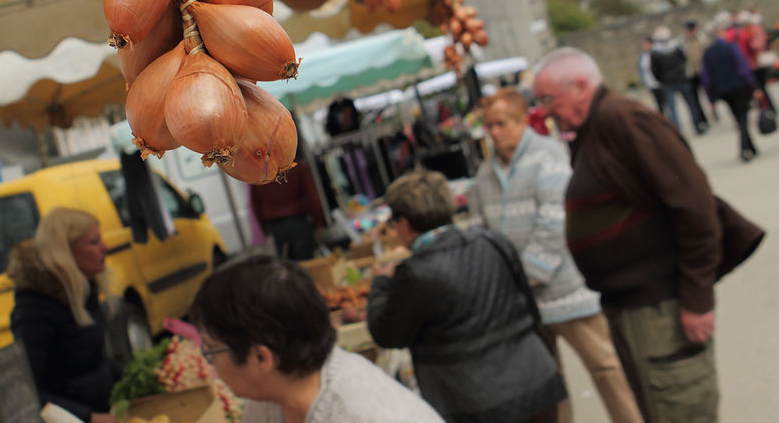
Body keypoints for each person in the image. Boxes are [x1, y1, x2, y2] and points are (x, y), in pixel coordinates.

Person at [531, 47, 765, 422]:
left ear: (579, 86)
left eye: (547, 99)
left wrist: (696, 297)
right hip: (632, 307)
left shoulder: (625, 120)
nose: (543, 110)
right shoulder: (594, 129)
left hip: (662, 307)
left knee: (680, 409)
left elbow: (695, 206)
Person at [469, 90, 642, 423]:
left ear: (522, 121)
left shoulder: (547, 156)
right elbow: (480, 233)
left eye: (500, 124)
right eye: (488, 126)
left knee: (607, 369)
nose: (493, 133)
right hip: (523, 303)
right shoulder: (484, 176)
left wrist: (526, 275)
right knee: (548, 388)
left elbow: (556, 220)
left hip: (565, 290)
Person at [366, 170, 566, 423]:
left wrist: (380, 283)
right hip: (536, 385)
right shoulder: (492, 241)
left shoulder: (414, 273)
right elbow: (528, 307)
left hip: (476, 404)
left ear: (405, 225)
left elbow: (387, 333)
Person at [189, 255, 444, 423]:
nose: (210, 364)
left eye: (211, 351)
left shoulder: (361, 414)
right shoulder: (272, 398)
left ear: (260, 357)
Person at [7, 208, 119, 423]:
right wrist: (89, 418)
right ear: (65, 253)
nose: (106, 248)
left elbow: (94, 362)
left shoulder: (85, 290)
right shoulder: (34, 310)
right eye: (94, 242)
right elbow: (28, 392)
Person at [700, 20, 764, 162]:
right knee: (743, 118)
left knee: (739, 118)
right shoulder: (731, 47)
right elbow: (743, 68)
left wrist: (711, 98)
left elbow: (706, 78)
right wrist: (754, 86)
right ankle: (743, 148)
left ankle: (751, 148)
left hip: (724, 91)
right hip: (739, 87)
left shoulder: (707, 54)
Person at [248, 160, 324, 261]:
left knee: (287, 269)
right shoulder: (296, 166)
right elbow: (312, 197)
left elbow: (256, 205)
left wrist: (265, 229)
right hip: (298, 223)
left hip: (275, 227)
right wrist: (318, 224)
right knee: (307, 265)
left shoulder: (257, 172)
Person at [649, 26, 706, 134]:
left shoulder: (655, 52)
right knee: (690, 105)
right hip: (681, 80)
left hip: (668, 83)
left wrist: (662, 79)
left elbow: (655, 70)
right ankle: (698, 127)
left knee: (673, 109)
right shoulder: (675, 47)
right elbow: (684, 60)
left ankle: (677, 132)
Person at [682, 21, 712, 128]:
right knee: (695, 98)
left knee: (709, 93)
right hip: (692, 73)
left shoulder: (702, 39)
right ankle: (702, 118)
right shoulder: (684, 42)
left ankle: (714, 111)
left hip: (704, 71)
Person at [637, 38, 666, 116]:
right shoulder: (643, 56)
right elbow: (641, 70)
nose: (645, 46)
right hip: (650, 83)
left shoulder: (656, 53)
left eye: (646, 44)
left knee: (665, 102)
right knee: (658, 103)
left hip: (660, 82)